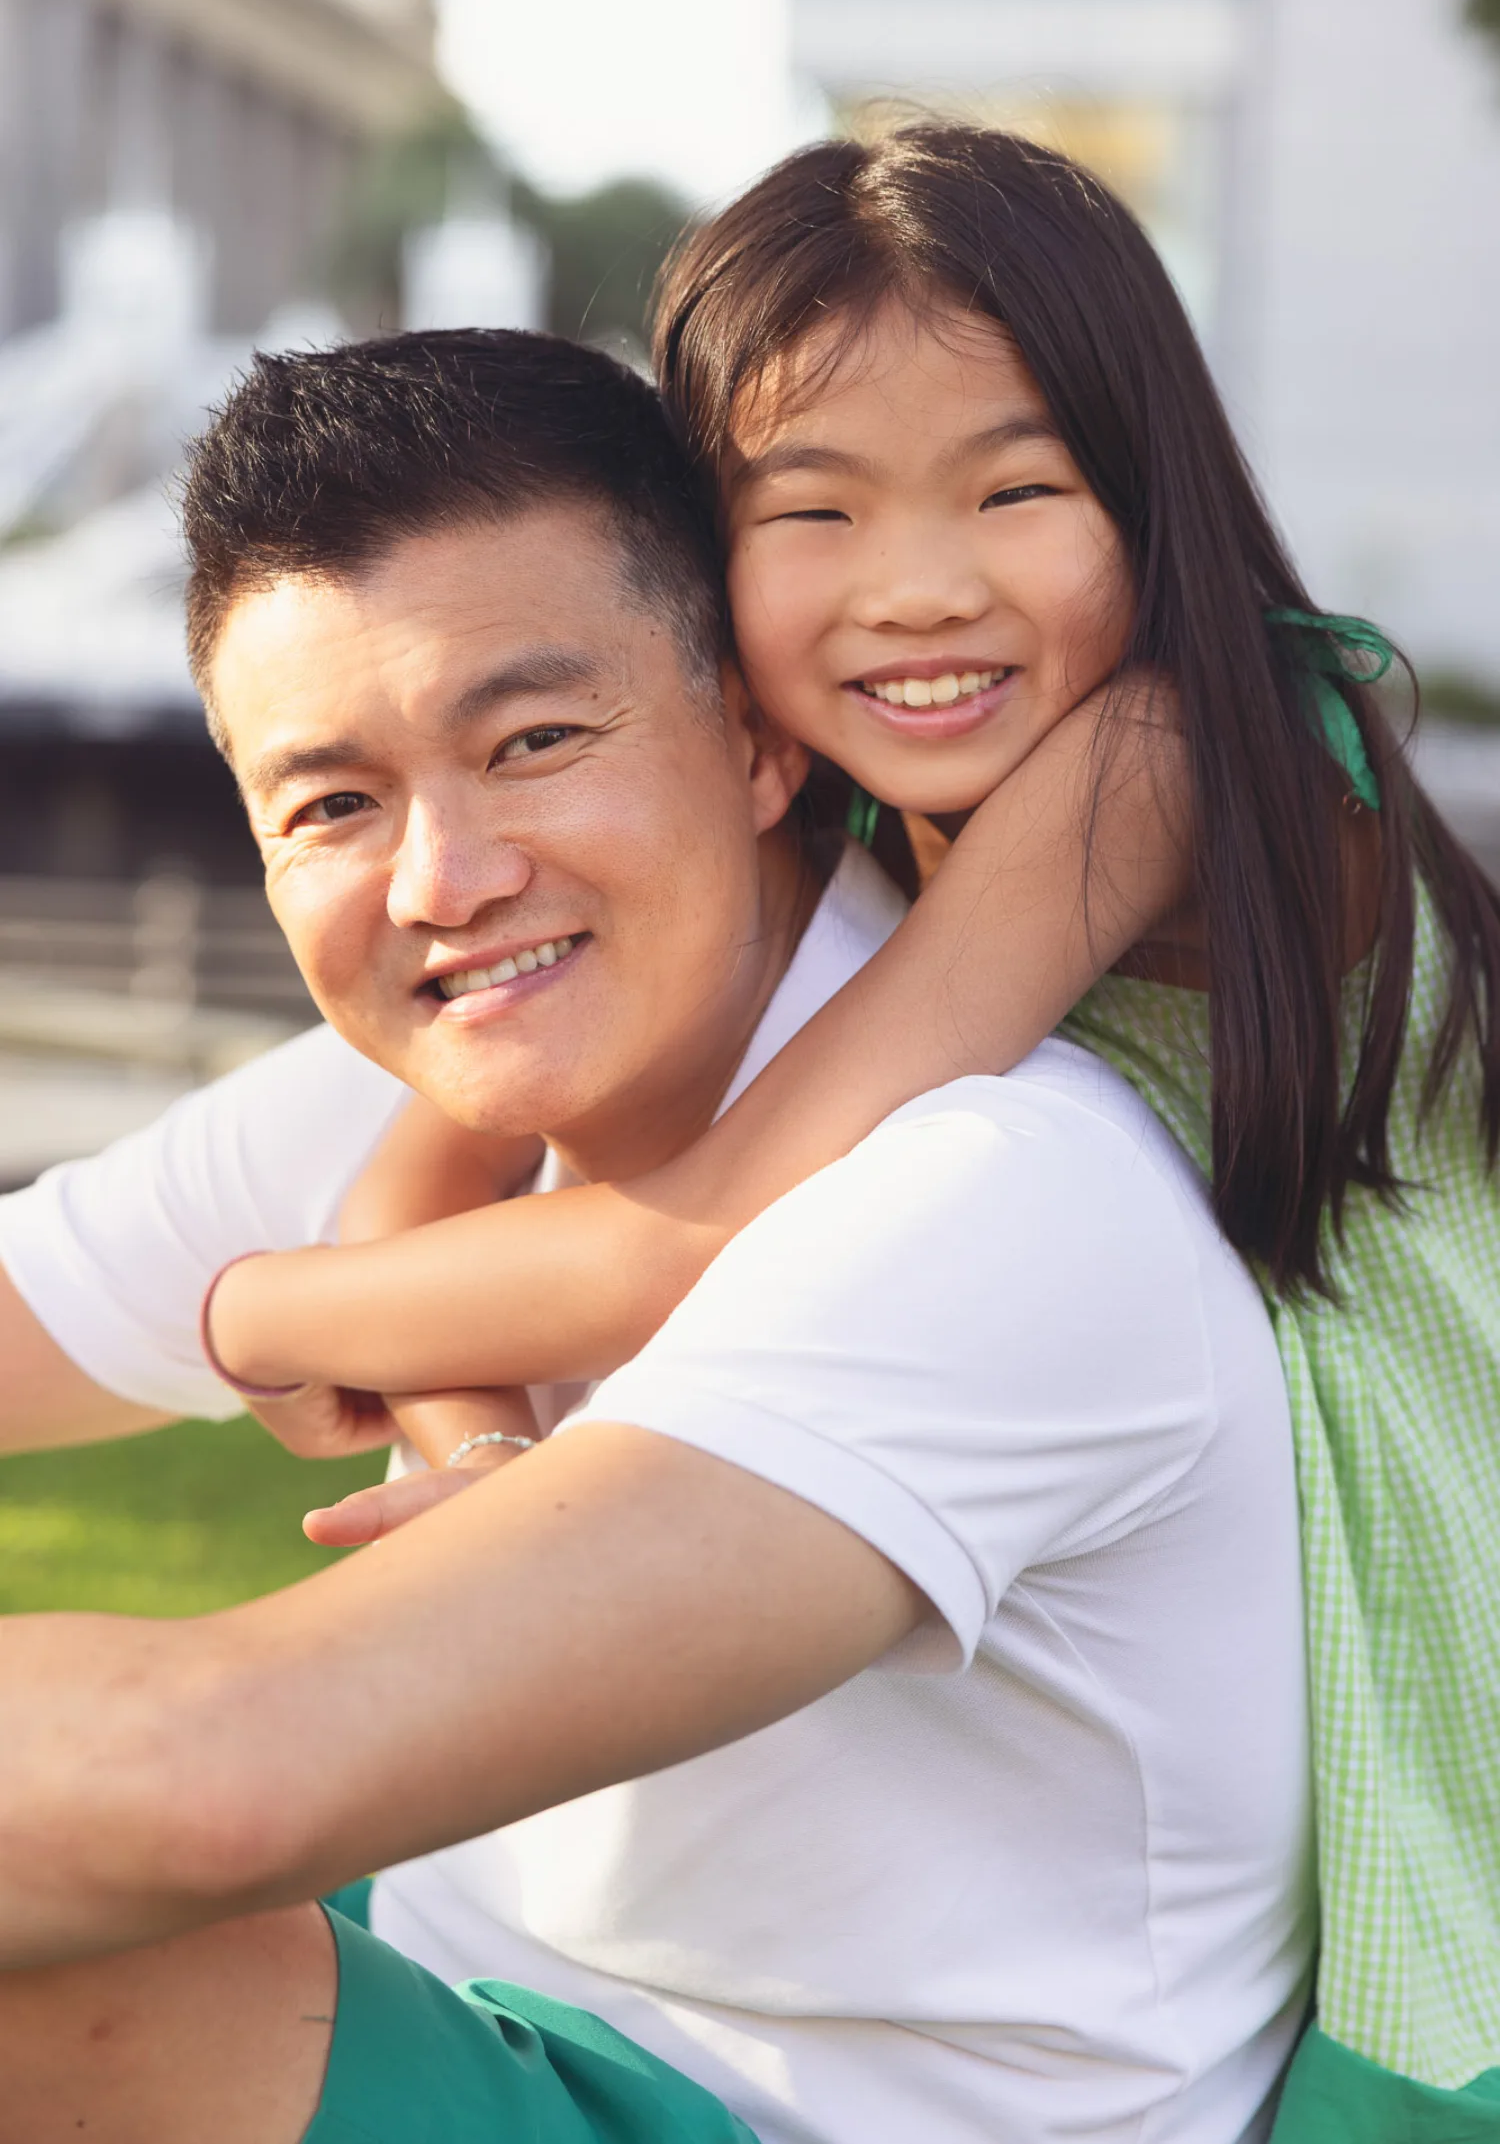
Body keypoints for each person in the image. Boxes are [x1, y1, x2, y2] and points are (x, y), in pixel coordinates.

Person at [206, 130, 1500, 2142]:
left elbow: (687, 1231)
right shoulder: (839, 783)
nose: (919, 586)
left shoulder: (1163, 736)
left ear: (1146, 501)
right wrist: (476, 1449)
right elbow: (425, 1173)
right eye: (812, 508)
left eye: (1017, 489)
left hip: (1404, 1438)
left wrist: (252, 1312)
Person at [0, 328, 1312, 2144]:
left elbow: (197, 1780)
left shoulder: (1002, 1192)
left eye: (534, 740)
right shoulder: (453, 1066)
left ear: (761, 735)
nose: (442, 883)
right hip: (519, 2007)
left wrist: (261, 1309)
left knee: (75, 1964)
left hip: (818, 2120)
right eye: (333, 806)